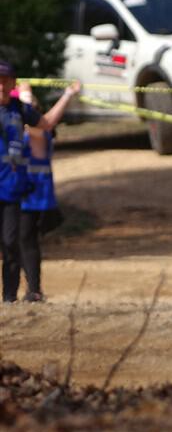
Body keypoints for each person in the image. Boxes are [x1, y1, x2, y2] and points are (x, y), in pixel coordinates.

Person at [0, 59, 77, 302]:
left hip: (17, 192)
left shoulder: (23, 115)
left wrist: (67, 95)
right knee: (16, 241)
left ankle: (14, 295)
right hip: (18, 191)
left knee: (14, 242)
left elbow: (45, 122)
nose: (1, 86)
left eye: (5, 81)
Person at [17, 80, 81, 302]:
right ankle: (24, 290)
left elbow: (50, 120)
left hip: (34, 197)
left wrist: (67, 95)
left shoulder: (38, 131)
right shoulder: (17, 131)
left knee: (26, 240)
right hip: (22, 195)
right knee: (18, 240)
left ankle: (33, 290)